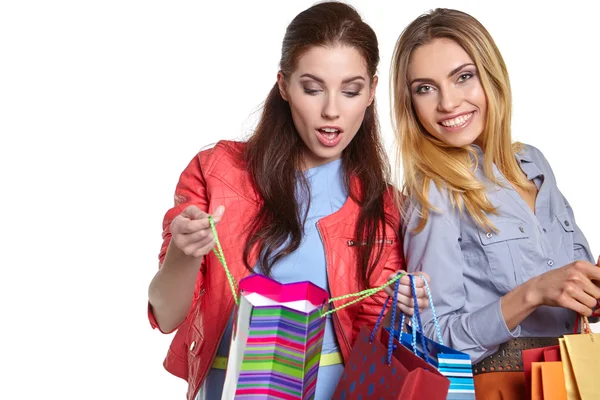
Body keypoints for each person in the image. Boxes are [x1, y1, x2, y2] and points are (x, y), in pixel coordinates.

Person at [148, 3, 428, 399]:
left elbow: (375, 340)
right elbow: (165, 314)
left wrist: (405, 304)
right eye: (312, 88)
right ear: (283, 85)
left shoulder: (383, 208)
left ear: (371, 92)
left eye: (350, 90)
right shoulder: (218, 172)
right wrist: (185, 250)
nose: (332, 110)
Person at [390, 8, 598, 399]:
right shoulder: (434, 191)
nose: (448, 103)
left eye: (463, 77)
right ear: (410, 103)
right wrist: (532, 293)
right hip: (501, 387)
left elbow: (576, 288)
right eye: (425, 88)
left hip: (573, 382)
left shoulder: (533, 164)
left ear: (492, 76)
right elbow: (435, 338)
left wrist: (592, 290)